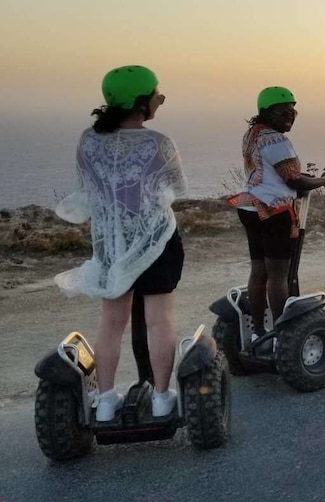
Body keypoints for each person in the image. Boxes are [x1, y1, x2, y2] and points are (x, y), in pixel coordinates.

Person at [54, 65, 187, 421]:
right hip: (156, 242)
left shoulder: (88, 140)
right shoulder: (158, 142)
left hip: (112, 245)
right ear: (141, 101)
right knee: (159, 320)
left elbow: (87, 191)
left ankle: (107, 398)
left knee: (111, 322)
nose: (160, 99)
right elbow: (178, 188)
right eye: (157, 94)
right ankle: (161, 397)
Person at [228, 87, 325, 351]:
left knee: (259, 271)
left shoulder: (252, 134)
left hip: (251, 206)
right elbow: (293, 178)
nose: (290, 115)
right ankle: (281, 335)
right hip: (274, 210)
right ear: (266, 112)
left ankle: (258, 333)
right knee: (279, 275)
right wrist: (323, 180)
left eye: (293, 109)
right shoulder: (276, 140)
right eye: (282, 110)